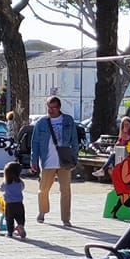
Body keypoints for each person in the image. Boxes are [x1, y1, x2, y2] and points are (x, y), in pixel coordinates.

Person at [30, 94, 84, 227]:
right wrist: (34, 160)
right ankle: (42, 211)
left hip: (64, 161)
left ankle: (66, 218)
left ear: (59, 107)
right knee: (43, 190)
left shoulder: (68, 120)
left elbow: (74, 141)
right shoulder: (41, 123)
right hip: (47, 160)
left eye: (53, 107)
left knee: (66, 190)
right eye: (49, 107)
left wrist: (74, 159)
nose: (50, 110)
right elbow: (35, 142)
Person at [0, 162, 27, 239]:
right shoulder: (20, 182)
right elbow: (23, 188)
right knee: (20, 217)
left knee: (9, 219)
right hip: (19, 204)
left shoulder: (5, 183)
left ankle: (10, 232)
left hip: (9, 205)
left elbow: (1, 189)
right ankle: (20, 225)